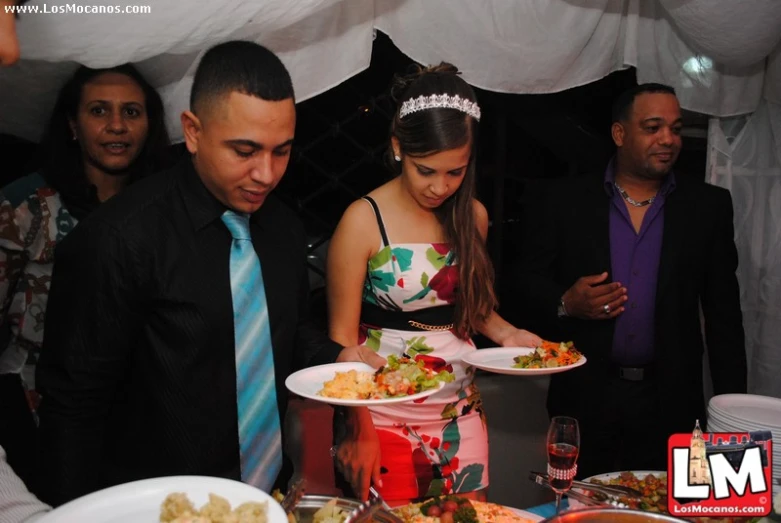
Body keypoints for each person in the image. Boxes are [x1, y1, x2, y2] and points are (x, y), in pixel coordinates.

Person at [35, 40, 380, 507]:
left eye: (281, 152)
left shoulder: (281, 228)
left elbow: (285, 330)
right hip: (155, 507)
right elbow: (72, 406)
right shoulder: (118, 239)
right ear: (193, 132)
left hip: (266, 501)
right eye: (245, 150)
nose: (266, 174)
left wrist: (339, 358)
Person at [327, 63, 542, 504]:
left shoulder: (473, 215)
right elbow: (341, 338)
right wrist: (358, 426)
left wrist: (512, 336)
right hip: (381, 415)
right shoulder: (362, 219)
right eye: (427, 171)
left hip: (459, 410)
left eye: (455, 172)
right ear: (397, 148)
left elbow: (470, 308)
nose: (440, 187)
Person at [514, 83, 747, 478]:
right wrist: (566, 303)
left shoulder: (707, 208)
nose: (668, 139)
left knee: (668, 511)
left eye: (675, 128)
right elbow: (522, 283)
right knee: (579, 508)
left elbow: (724, 317)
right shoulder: (564, 201)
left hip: (671, 400)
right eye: (653, 127)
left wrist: (734, 419)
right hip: (585, 397)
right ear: (620, 134)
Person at [0, 63, 171, 493]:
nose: (117, 126)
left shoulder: (165, 209)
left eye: (132, 112)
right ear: (73, 126)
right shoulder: (27, 205)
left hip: (139, 414)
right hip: (34, 413)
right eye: (99, 111)